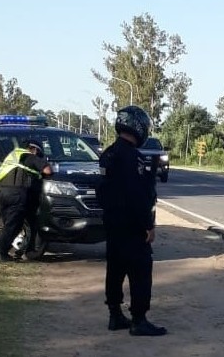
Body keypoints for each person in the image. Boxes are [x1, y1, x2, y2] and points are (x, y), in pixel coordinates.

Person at [97, 105, 167, 336]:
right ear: (138, 127)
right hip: (131, 225)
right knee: (140, 271)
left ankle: (114, 315)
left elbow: (103, 191)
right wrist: (148, 225)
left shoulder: (108, 154)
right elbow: (138, 197)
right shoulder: (133, 158)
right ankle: (139, 319)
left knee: (115, 269)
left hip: (112, 223)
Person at [0, 139, 52, 262]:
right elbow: (48, 170)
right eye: (39, 153)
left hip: (3, 193)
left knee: (12, 225)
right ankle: (1, 253)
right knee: (12, 226)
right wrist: (44, 163)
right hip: (17, 194)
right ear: (34, 149)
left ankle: (0, 253)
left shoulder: (13, 156)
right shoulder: (30, 156)